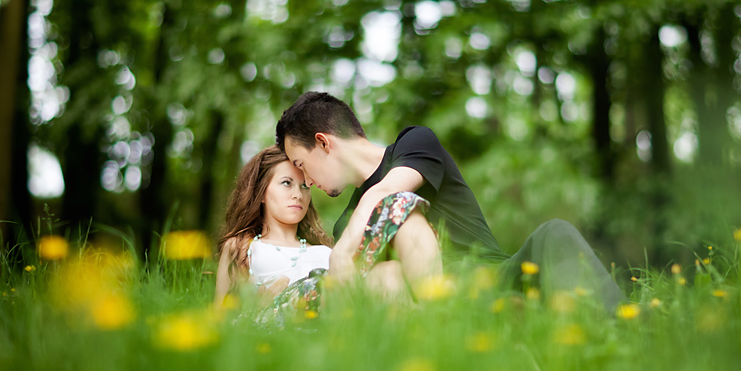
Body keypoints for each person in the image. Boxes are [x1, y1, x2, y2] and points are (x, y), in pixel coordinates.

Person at [276, 92, 624, 311]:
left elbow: (389, 194)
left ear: (324, 142)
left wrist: (343, 250)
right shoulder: (346, 221)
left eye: (303, 166)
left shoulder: (413, 144)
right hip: (433, 308)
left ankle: (618, 330)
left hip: (498, 280)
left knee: (555, 232)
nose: (306, 181)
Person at [214, 146, 333, 310]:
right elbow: (222, 323)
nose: (298, 194)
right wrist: (261, 306)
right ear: (261, 192)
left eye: (304, 185)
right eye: (286, 183)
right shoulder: (241, 248)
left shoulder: (327, 252)